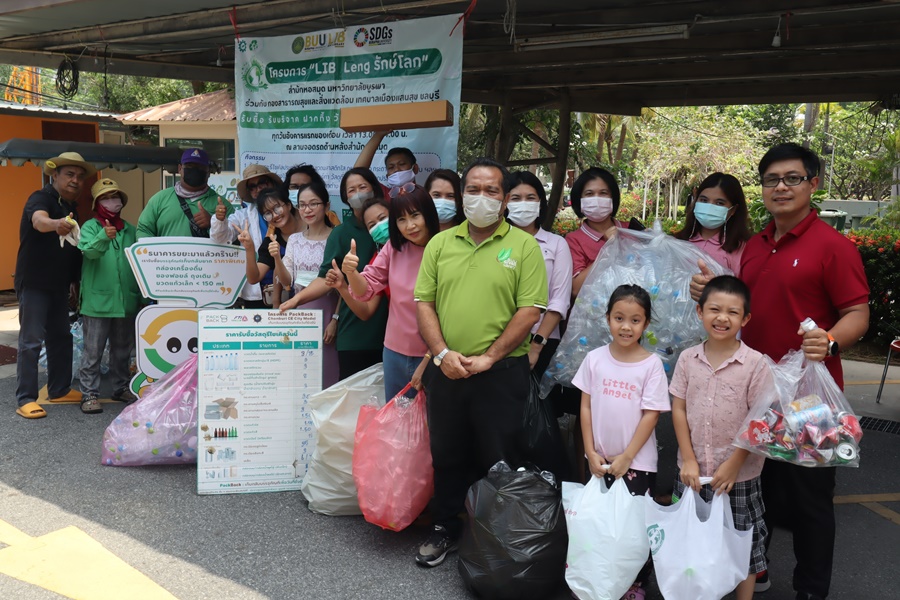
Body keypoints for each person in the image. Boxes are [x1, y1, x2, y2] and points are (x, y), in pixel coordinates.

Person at [689, 143, 869, 600]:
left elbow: (857, 313)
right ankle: (757, 570)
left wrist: (830, 340)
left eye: (792, 178)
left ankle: (811, 589)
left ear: (813, 184)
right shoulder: (754, 245)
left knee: (811, 497)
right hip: (753, 390)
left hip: (809, 398)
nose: (781, 187)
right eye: (772, 180)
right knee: (755, 487)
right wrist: (708, 293)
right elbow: (740, 308)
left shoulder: (833, 247)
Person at [413, 157, 548, 567]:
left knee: (500, 456)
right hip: (447, 369)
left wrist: (490, 357)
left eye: (492, 190)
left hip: (501, 373)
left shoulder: (524, 246)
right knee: (447, 453)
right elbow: (424, 303)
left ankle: (496, 539)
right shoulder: (440, 244)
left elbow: (530, 310)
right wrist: (441, 354)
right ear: (462, 195)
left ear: (505, 200)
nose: (481, 198)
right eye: (473, 189)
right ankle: (445, 527)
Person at [670, 275, 772, 600]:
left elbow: (760, 420)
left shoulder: (756, 364)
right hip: (692, 472)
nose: (722, 318)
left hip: (738, 476)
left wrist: (735, 463)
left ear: (746, 319)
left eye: (732, 312)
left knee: (744, 544)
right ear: (700, 311)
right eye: (714, 309)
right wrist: (687, 458)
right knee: (690, 540)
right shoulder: (687, 359)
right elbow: (678, 408)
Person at [572, 284, 669, 599]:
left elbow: (651, 415)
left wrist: (627, 456)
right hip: (599, 459)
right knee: (599, 522)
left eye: (635, 320)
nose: (626, 327)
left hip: (636, 462)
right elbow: (586, 407)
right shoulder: (594, 359)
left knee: (634, 528)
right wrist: (589, 451)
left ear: (646, 323)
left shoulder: (651, 365)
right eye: (619, 318)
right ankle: (597, 580)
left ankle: (634, 585)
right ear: (608, 318)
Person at [328, 186, 439, 399]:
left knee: (430, 418)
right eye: (401, 219)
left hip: (433, 354)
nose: (410, 225)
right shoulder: (393, 248)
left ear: (428, 213)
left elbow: (450, 315)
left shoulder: (446, 248)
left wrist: (429, 359)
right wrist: (351, 272)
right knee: (395, 416)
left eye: (415, 215)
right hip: (394, 352)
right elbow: (365, 290)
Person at [281, 168, 388, 380]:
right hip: (356, 335)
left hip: (393, 333)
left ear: (375, 189)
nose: (358, 194)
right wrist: (297, 299)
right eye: (351, 190)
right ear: (345, 197)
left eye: (363, 187)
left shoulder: (394, 228)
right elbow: (326, 278)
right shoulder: (341, 234)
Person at [14, 152, 95, 418]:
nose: (75, 180)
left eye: (80, 176)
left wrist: (74, 281)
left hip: (59, 284)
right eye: (69, 174)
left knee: (61, 337)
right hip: (34, 282)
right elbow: (39, 221)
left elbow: (71, 250)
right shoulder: (41, 198)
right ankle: (26, 398)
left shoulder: (71, 206)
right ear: (55, 175)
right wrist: (56, 224)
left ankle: (59, 389)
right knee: (31, 340)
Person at [76, 178, 143, 414]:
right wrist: (104, 236)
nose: (111, 201)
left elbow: (140, 261)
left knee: (122, 350)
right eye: (105, 198)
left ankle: (120, 387)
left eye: (115, 197)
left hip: (125, 301)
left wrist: (141, 296)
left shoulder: (131, 230)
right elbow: (89, 252)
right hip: (98, 302)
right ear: (97, 203)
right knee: (93, 351)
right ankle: (89, 393)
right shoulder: (89, 227)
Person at [267, 181, 339, 388]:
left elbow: (344, 284)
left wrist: (335, 319)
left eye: (313, 204)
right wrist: (277, 258)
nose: (307, 210)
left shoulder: (337, 236)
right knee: (303, 375)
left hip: (329, 313)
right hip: (300, 313)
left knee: (328, 372)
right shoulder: (294, 240)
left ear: (326, 206)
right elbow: (287, 282)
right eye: (302, 205)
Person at [506, 171, 573, 377]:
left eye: (530, 198)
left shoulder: (556, 244)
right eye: (516, 198)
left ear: (540, 203)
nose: (523, 204)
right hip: (497, 338)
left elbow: (559, 300)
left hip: (542, 340)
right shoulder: (495, 243)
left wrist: (536, 346)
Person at [210, 164, 282, 307]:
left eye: (262, 183)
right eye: (252, 187)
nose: (258, 189)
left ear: (272, 184)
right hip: (257, 291)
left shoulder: (286, 211)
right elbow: (220, 238)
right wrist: (219, 220)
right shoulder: (242, 216)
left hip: (288, 288)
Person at [565, 167, 634, 297]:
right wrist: (608, 249)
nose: (596, 199)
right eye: (589, 194)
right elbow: (576, 289)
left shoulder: (630, 230)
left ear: (613, 198)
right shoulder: (573, 240)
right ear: (579, 199)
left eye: (603, 193)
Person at [137, 148, 233, 239]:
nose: (195, 170)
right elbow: (144, 230)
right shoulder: (160, 199)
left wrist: (214, 223)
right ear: (180, 169)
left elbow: (233, 237)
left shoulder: (222, 206)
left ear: (208, 172)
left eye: (200, 167)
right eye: (189, 166)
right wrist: (153, 250)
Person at [673, 173, 752, 276]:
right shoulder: (678, 241)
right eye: (704, 200)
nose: (709, 207)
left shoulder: (742, 249)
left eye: (719, 203)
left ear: (733, 209)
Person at [355, 130, 418, 194]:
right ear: (387, 176)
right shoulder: (385, 195)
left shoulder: (423, 194)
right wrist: (378, 135)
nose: (396, 169)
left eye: (402, 164)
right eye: (391, 167)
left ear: (415, 168)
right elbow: (358, 173)